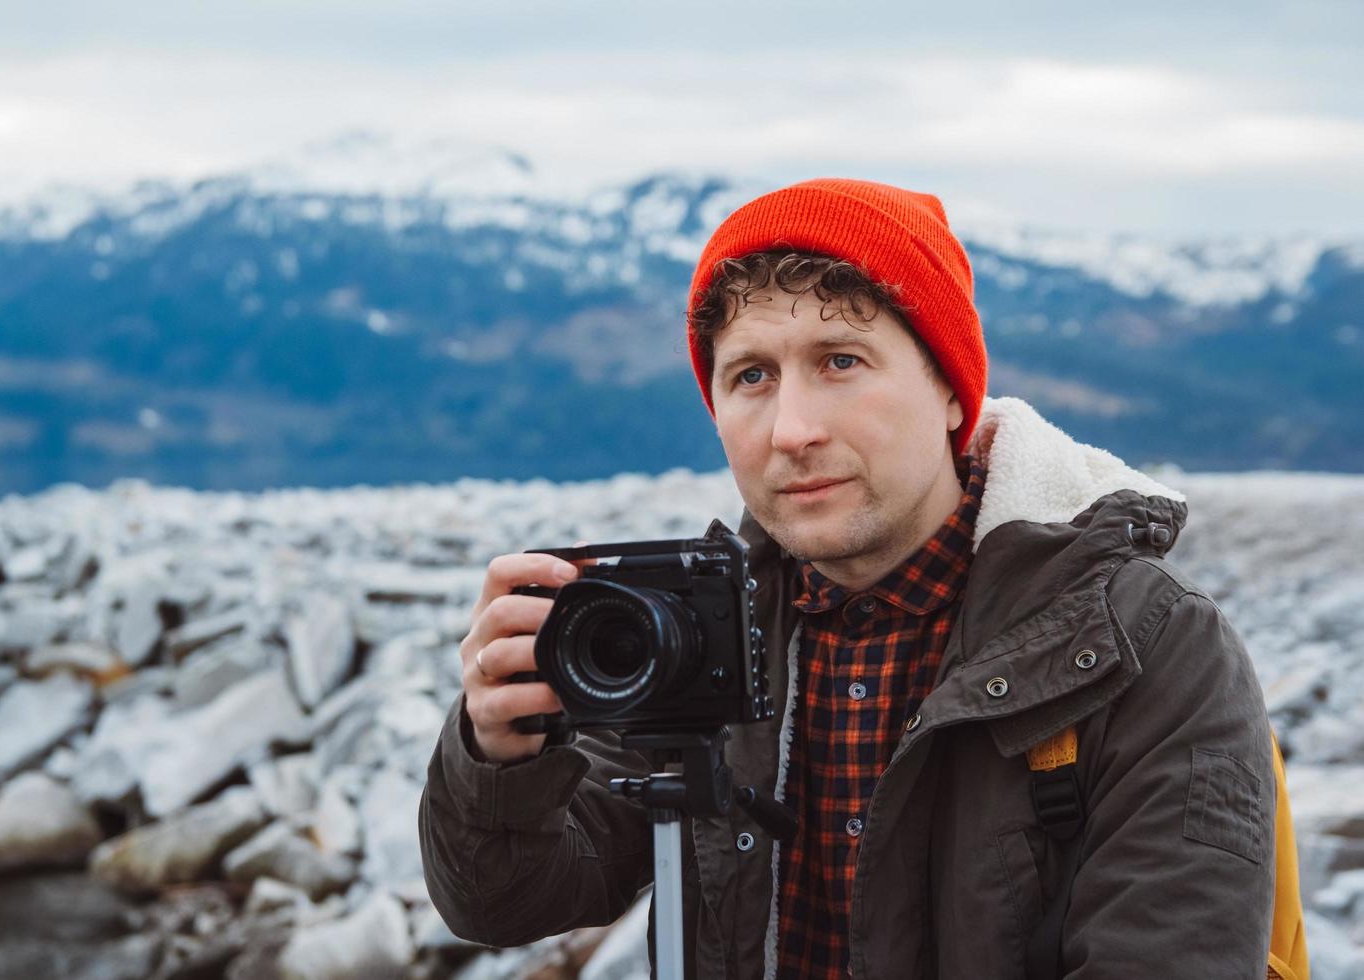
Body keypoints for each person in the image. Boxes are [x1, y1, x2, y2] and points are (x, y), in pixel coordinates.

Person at [419, 178, 1278, 978]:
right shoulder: (696, 632)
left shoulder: (1146, 646)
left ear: (952, 392)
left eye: (840, 361)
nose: (791, 429)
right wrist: (499, 754)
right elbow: (504, 903)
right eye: (751, 377)